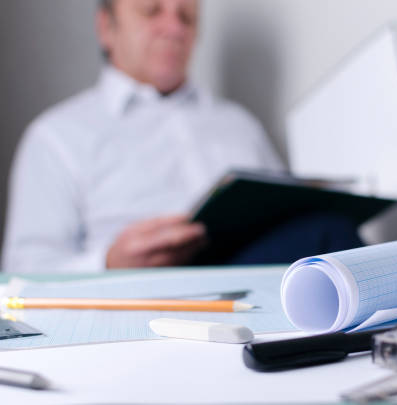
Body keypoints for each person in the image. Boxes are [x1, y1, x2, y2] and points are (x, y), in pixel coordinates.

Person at [2, 0, 362, 274]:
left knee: (329, 236)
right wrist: (108, 262)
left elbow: (290, 217)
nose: (175, 29)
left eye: (187, 17)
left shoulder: (239, 123)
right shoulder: (56, 136)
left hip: (256, 285)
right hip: (137, 298)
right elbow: (23, 271)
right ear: (106, 28)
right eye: (152, 11)